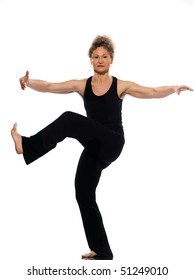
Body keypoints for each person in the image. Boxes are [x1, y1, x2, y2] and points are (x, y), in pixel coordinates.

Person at [11, 35, 193, 260]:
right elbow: (50, 86)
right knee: (83, 192)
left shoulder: (121, 86)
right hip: (93, 146)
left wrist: (173, 88)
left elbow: (152, 92)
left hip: (112, 141)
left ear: (111, 60)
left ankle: (27, 146)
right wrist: (29, 83)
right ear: (90, 60)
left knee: (69, 120)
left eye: (104, 56)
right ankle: (103, 251)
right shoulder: (82, 85)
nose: (100, 60)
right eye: (96, 57)